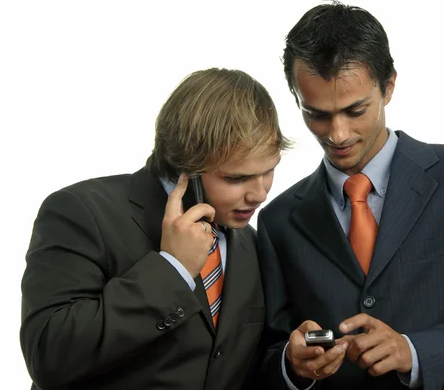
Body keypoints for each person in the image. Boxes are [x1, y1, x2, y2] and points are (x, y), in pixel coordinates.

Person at [256, 1, 444, 390]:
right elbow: (261, 355)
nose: (338, 134)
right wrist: (290, 365)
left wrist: (415, 352)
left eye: (355, 109)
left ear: (389, 86)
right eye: (317, 114)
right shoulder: (277, 220)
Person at [20, 67, 290, 390]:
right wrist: (171, 270)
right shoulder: (80, 212)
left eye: (269, 171)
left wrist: (292, 366)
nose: (260, 193)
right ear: (185, 166)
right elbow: (48, 355)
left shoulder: (252, 245)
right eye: (236, 178)